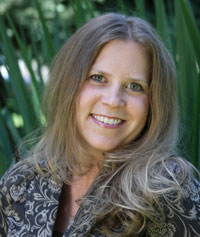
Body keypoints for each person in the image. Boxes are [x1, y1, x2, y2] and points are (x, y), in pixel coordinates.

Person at [0, 13, 200, 237]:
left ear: (154, 104)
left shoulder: (169, 191)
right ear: (68, 84)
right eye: (98, 78)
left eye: (135, 86)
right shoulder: (22, 182)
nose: (113, 100)